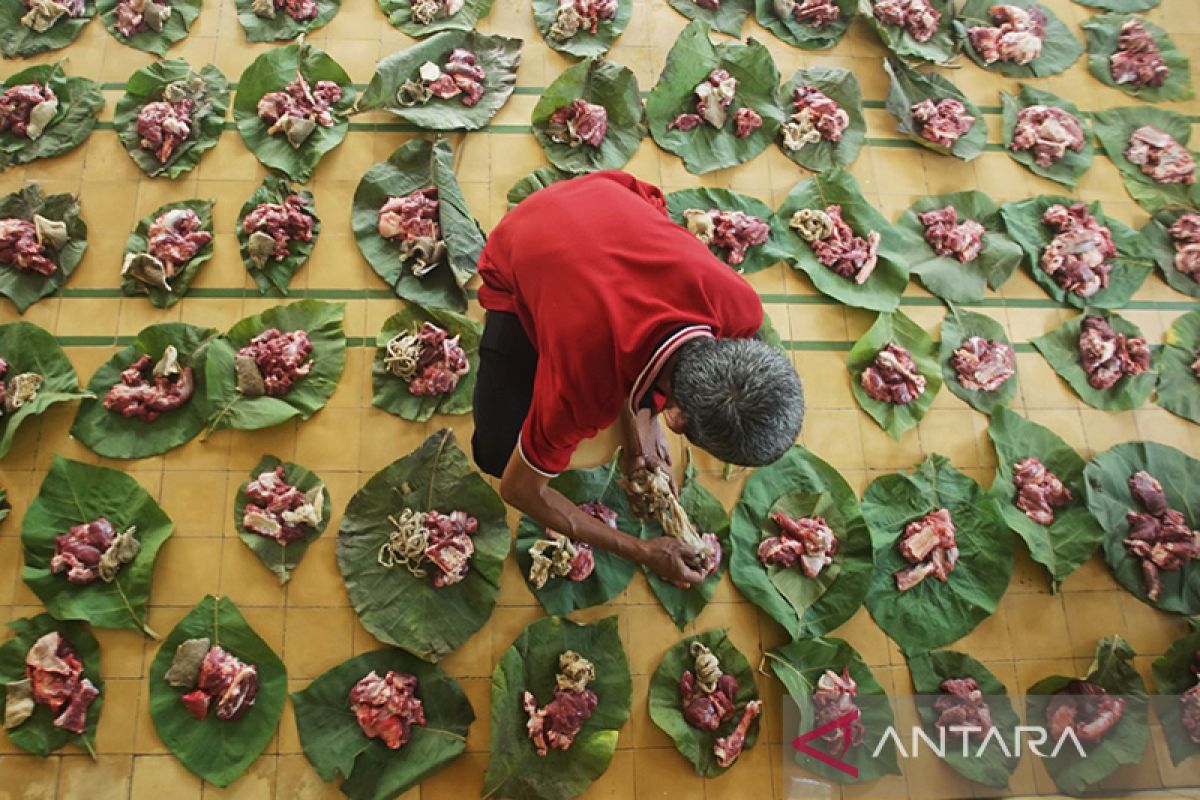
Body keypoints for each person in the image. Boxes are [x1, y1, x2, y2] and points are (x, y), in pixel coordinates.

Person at [472, 171, 804, 586]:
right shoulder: (583, 390)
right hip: (520, 238)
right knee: (495, 452)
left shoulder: (740, 305)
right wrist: (642, 550)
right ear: (677, 419)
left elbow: (649, 344)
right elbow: (519, 489)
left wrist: (637, 431)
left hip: (604, 195)